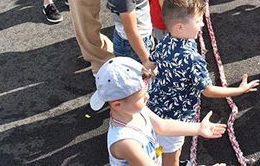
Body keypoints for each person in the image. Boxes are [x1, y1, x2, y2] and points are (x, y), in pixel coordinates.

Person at [148, 0, 260, 166]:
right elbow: (208, 90)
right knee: (173, 150)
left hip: (156, 107)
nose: (201, 25)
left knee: (160, 144)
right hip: (175, 117)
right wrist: (239, 90)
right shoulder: (192, 59)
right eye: (198, 21)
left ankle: (161, 158)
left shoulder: (166, 41)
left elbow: (150, 63)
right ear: (180, 27)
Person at [90, 57, 227, 165]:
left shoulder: (135, 110)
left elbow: (162, 126)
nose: (147, 97)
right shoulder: (126, 142)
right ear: (118, 105)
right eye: (141, 96)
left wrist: (198, 128)